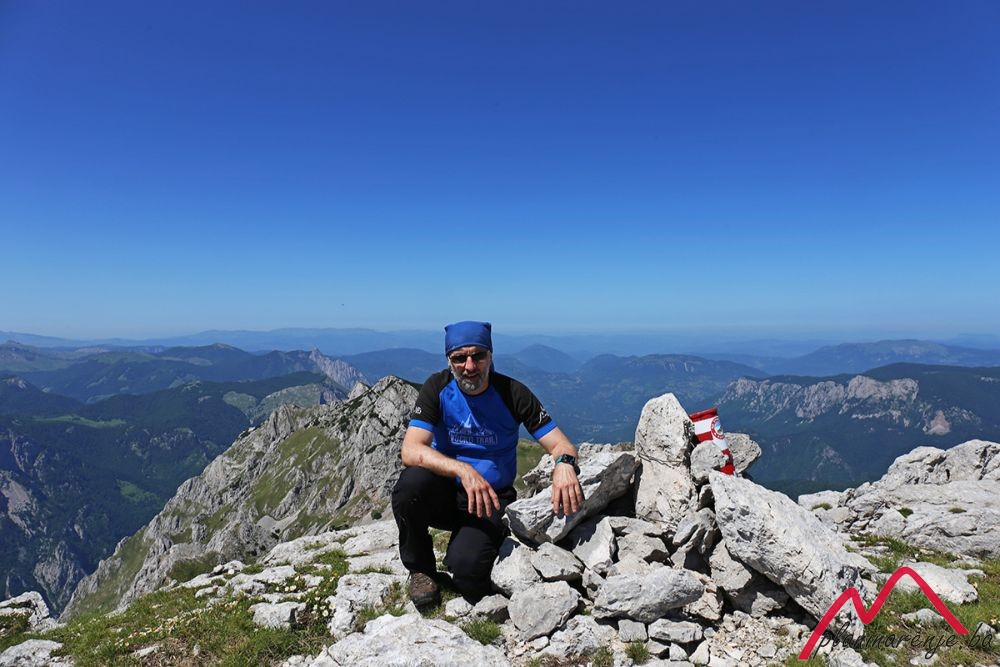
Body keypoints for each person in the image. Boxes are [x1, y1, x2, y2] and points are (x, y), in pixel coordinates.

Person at [391, 321, 583, 607]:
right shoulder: (437, 388)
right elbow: (410, 450)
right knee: (410, 485)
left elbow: (560, 444)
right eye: (459, 358)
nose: (469, 366)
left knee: (466, 573)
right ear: (449, 361)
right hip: (445, 492)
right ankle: (420, 570)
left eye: (478, 355)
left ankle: (475, 545)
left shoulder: (513, 393)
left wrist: (565, 464)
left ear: (490, 356)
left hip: (491, 498)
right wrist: (462, 469)